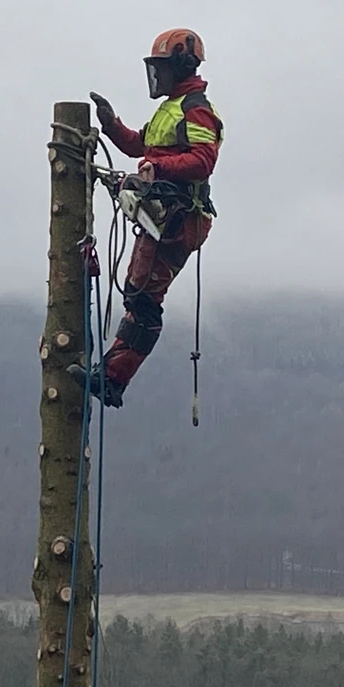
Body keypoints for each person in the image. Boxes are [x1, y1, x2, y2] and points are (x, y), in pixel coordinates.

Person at [73, 28, 223, 408]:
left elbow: (203, 161)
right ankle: (109, 375)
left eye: (161, 67)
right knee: (137, 291)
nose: (156, 76)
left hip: (180, 217)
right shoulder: (172, 107)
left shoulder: (195, 108)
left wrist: (157, 167)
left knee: (143, 297)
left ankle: (112, 379)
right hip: (163, 213)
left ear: (180, 65)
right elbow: (141, 144)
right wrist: (111, 124)